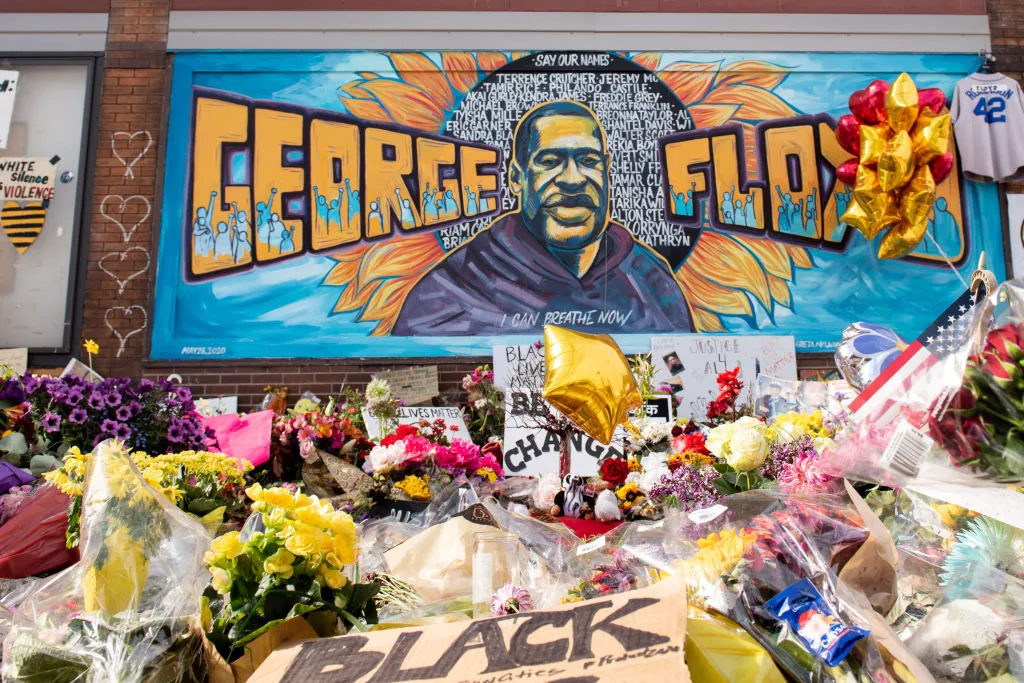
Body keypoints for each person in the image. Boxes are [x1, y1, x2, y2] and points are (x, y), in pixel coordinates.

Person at [393, 100, 692, 335]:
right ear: (516, 178)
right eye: (550, 161)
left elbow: (679, 375)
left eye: (588, 161)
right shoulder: (455, 289)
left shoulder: (650, 280)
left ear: (606, 169)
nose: (573, 180)